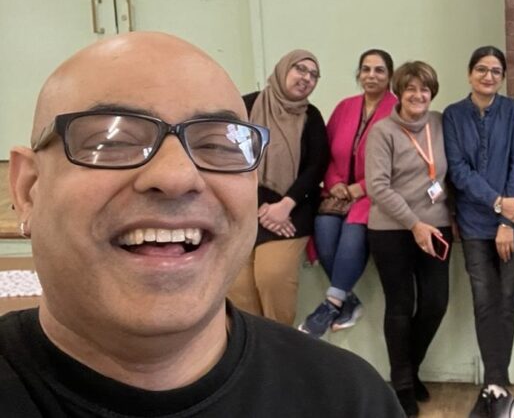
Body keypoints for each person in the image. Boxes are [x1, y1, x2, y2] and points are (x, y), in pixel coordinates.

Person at [0, 32, 403, 416]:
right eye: (113, 140)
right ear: (28, 188)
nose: (177, 176)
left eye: (217, 145)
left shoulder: (349, 399)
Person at [443, 46, 514, 418]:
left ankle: (496, 387)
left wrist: (508, 220)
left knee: (506, 305)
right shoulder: (452, 114)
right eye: (481, 69)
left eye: (496, 71)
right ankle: (497, 387)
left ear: (502, 76)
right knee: (485, 303)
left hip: (512, 224)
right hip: (475, 224)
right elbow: (458, 171)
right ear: (469, 74)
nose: (488, 76)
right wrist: (497, 204)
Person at [366, 60, 453, 417]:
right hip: (391, 230)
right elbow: (377, 187)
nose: (418, 95)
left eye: (425, 89)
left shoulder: (439, 123)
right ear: (399, 92)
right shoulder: (383, 131)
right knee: (400, 306)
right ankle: (401, 383)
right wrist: (415, 223)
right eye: (411, 89)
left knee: (435, 303)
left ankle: (409, 368)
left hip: (438, 227)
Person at [299, 49, 397, 338]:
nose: (371, 75)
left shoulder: (397, 109)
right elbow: (325, 152)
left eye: (379, 70)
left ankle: (330, 304)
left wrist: (361, 187)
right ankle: (347, 300)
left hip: (376, 193)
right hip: (338, 192)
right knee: (324, 229)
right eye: (366, 69)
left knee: (354, 232)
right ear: (358, 74)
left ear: (390, 76)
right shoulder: (345, 107)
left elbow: (398, 162)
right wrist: (336, 183)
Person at [227, 49, 329, 327]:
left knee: (271, 276)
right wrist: (263, 207)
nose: (306, 78)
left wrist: (284, 206)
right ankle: (249, 354)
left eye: (313, 74)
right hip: (248, 209)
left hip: (292, 210)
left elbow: (315, 167)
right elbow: (231, 160)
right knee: (237, 285)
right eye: (300, 69)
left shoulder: (312, 117)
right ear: (283, 70)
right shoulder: (246, 107)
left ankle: (280, 351)